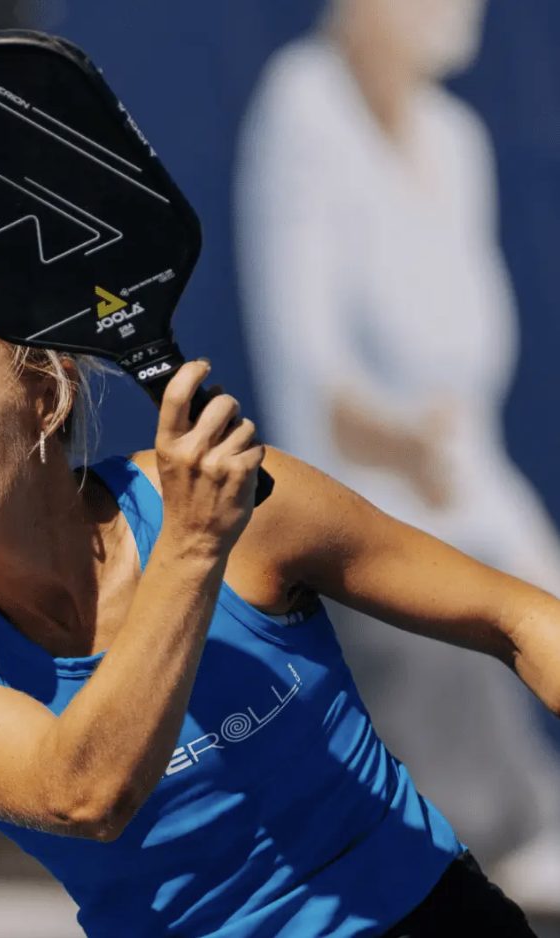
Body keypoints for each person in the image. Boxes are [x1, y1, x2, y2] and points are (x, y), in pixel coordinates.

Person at [0, 206, 556, 937]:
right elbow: (83, 794)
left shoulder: (255, 513)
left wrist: (193, 537)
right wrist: (195, 545)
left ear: (46, 395)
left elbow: (517, 617)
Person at [233, 0, 560, 902]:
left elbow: (468, 433)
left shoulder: (458, 140)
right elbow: (313, 378)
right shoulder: (301, 104)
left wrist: (527, 558)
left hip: (471, 505)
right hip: (357, 531)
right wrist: (402, 448)